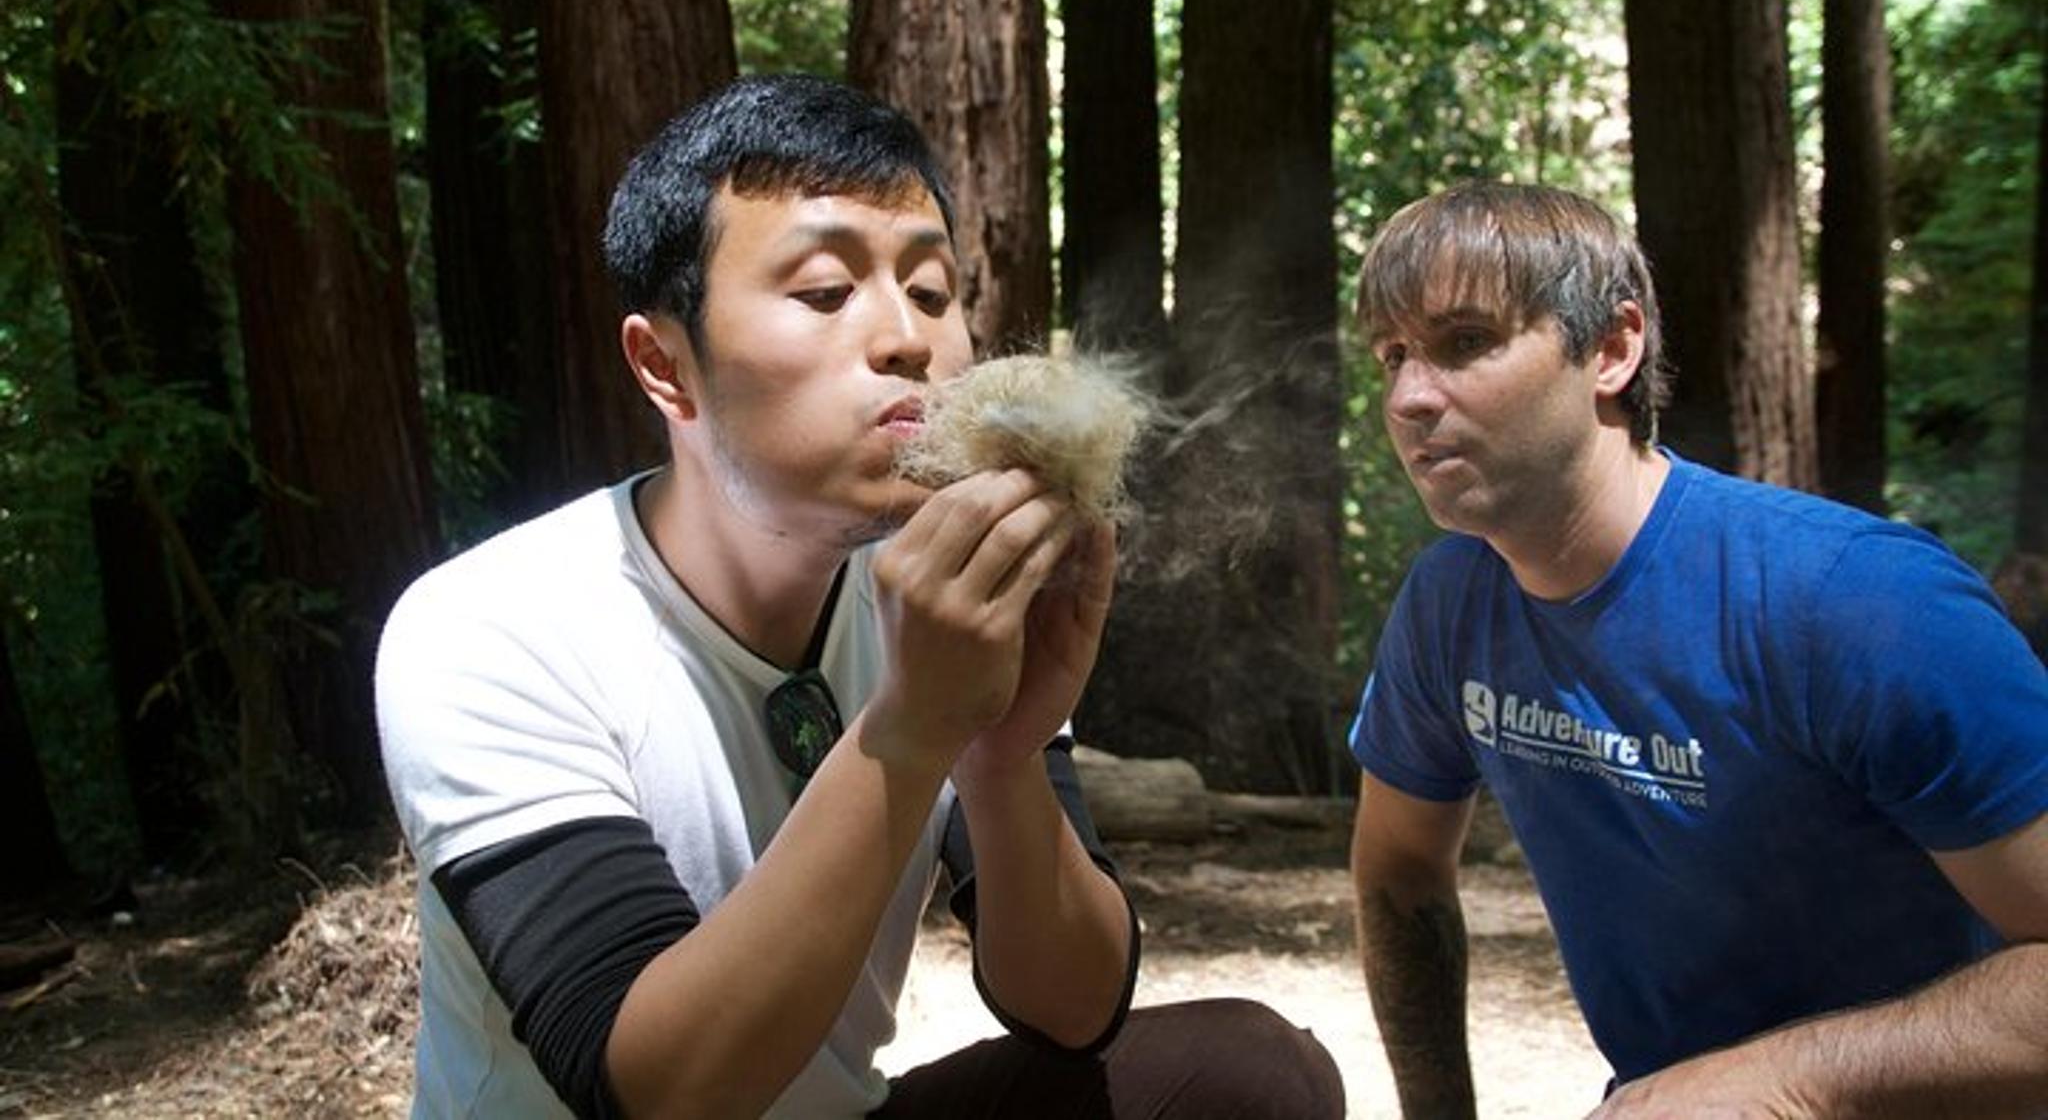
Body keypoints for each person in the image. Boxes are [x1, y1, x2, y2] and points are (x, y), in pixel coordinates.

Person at [377, 74, 1345, 1120]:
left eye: (931, 293)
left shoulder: (939, 601)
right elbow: (659, 1095)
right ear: (665, 366)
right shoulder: (488, 628)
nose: (907, 339)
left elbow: (1071, 1009)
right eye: (825, 292)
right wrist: (911, 725)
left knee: (1248, 1079)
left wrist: (1000, 749)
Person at [1344, 181, 2048, 1117]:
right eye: (1392, 355)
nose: (1408, 397)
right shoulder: (1451, 606)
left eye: (1464, 342)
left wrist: (1786, 1080)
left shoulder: (1857, 602)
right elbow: (1397, 877)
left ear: (1612, 346)